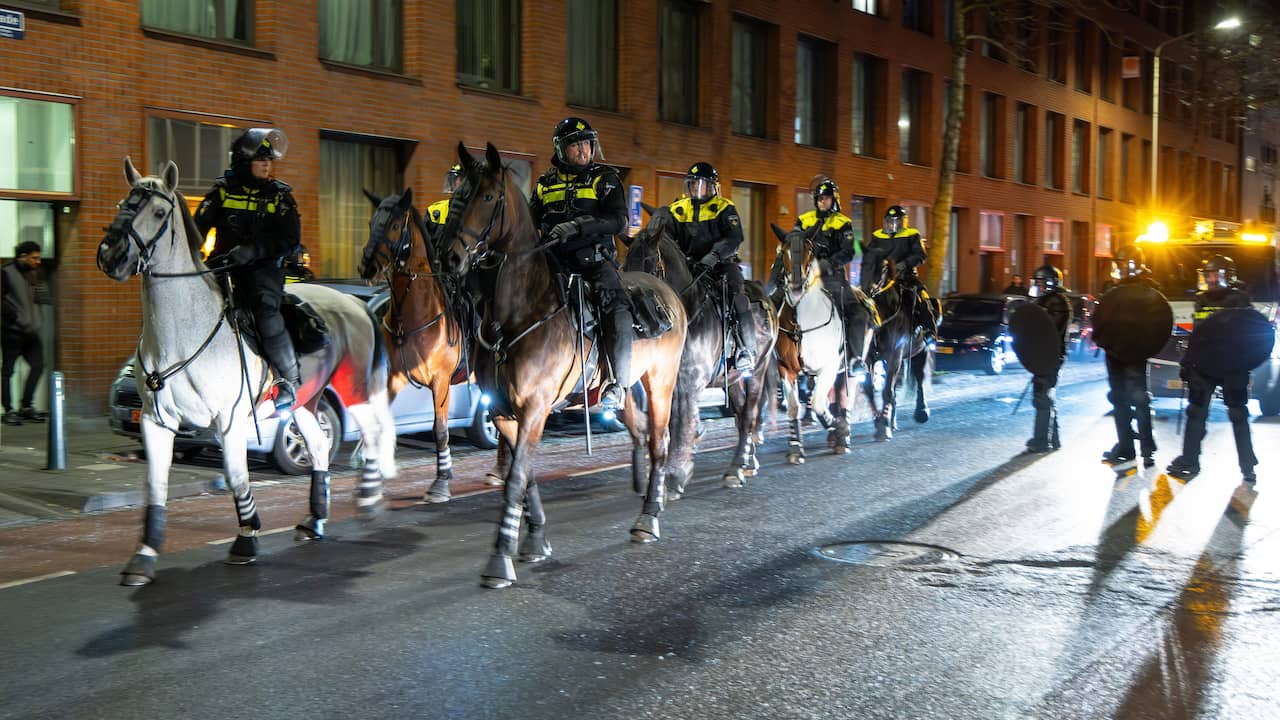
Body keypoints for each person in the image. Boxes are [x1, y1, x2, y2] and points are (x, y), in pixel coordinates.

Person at [194, 128, 303, 411]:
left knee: (265, 312)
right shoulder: (221, 192)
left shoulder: (280, 196)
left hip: (262, 271)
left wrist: (255, 250)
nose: (267, 165)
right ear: (243, 161)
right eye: (260, 159)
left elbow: (290, 240)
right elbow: (197, 230)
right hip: (223, 266)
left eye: (269, 160)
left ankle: (288, 382)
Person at [529, 117, 630, 407]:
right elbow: (528, 221)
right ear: (561, 149)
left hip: (594, 263)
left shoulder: (605, 178)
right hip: (552, 264)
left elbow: (618, 221)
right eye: (575, 144)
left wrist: (579, 226)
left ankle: (616, 383)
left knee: (618, 306)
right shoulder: (544, 183)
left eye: (587, 143)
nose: (583, 150)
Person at [1167, 254, 1257, 483]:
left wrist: (1245, 364)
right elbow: (1198, 335)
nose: (1212, 279)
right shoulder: (1202, 300)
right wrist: (1187, 363)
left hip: (1231, 367)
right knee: (1195, 414)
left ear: (1228, 276)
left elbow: (1249, 335)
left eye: (1216, 275)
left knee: (1238, 415)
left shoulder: (1239, 300)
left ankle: (1248, 466)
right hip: (1205, 367)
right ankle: (1189, 461)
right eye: (1209, 275)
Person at [768, 179, 872, 371]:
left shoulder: (843, 223)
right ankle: (771, 354)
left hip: (833, 278)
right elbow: (795, 242)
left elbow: (848, 252)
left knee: (857, 313)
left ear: (835, 200)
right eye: (820, 199)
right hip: (805, 277)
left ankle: (856, 359)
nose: (823, 202)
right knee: (773, 305)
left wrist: (827, 264)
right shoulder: (804, 220)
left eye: (827, 199)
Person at [668, 162, 754, 373]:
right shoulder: (678, 208)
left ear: (712, 187)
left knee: (737, 295)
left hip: (721, 265)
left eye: (703, 185)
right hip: (689, 267)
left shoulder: (725, 207)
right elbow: (668, 237)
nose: (697, 189)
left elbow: (735, 238)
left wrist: (714, 255)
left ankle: (745, 349)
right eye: (693, 184)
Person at [1100, 245, 1161, 468]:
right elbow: (1103, 319)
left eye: (1125, 264)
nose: (1121, 269)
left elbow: (1156, 322)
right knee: (1119, 399)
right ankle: (1126, 446)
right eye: (1119, 265)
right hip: (1115, 351)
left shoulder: (1149, 289)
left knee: (1139, 398)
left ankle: (1146, 446)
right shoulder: (1112, 291)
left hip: (1135, 351)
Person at [860, 205, 939, 340]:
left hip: (906, 278)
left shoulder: (912, 234)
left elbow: (920, 255)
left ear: (903, 221)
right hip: (883, 280)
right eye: (890, 221)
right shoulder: (877, 236)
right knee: (866, 300)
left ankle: (929, 330)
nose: (893, 224)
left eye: (897, 221)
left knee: (922, 297)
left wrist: (903, 264)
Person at [2, 240, 49, 426]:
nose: (38, 261)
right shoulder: (6, 272)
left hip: (31, 332)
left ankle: (26, 406)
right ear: (22, 257)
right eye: (34, 258)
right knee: (7, 372)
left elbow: (42, 298)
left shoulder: (35, 273)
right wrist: (13, 317)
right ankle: (9, 410)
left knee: (38, 365)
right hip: (12, 332)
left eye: (39, 258)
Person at [1024, 264, 1071, 453]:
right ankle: (1053, 438)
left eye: (1042, 283)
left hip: (1050, 355)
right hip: (1044, 354)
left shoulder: (1057, 302)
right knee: (1046, 395)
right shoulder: (1046, 300)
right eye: (1037, 283)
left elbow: (1050, 330)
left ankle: (1042, 440)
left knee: (1042, 395)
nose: (1039, 286)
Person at [425, 164, 464, 265]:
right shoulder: (435, 210)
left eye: (459, 179)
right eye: (454, 179)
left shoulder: (475, 214)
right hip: (435, 268)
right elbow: (423, 243)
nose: (455, 183)